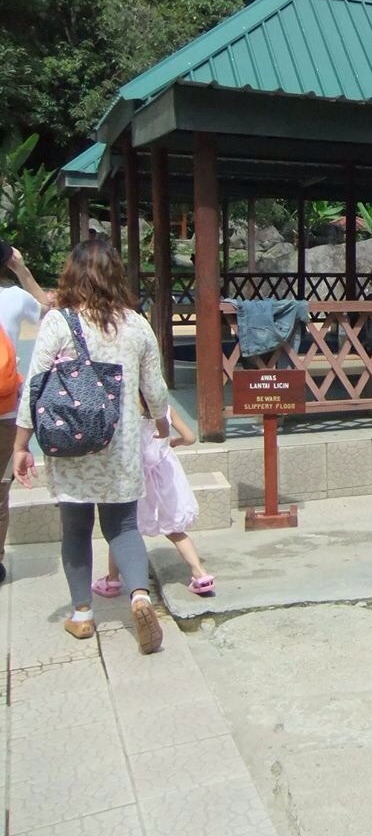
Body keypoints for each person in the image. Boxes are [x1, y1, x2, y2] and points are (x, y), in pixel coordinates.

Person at [13, 240, 171, 654]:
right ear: (115, 275)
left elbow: (35, 385)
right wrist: (161, 425)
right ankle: (139, 597)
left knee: (76, 528)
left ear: (72, 274)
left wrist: (21, 445)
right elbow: (155, 389)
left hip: (70, 441)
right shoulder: (135, 324)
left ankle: (82, 614)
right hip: (119, 443)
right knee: (123, 525)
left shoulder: (59, 322)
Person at [91, 409, 214, 598]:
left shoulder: (123, 409)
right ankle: (200, 575)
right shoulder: (165, 408)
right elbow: (190, 438)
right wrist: (174, 442)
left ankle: (112, 580)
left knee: (121, 532)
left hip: (133, 474)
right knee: (175, 530)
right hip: (164, 475)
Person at [0, 244, 49, 584]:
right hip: (4, 408)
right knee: (0, 488)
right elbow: (48, 310)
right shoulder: (16, 298)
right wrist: (22, 269)